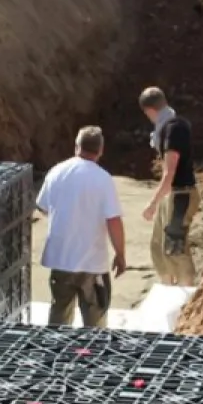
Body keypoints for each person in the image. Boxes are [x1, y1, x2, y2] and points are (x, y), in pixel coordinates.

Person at [34, 126, 126, 327]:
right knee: (95, 321)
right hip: (92, 263)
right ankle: (92, 356)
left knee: (59, 316)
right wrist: (120, 254)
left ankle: (56, 354)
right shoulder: (103, 179)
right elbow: (113, 220)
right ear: (101, 150)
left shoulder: (57, 171)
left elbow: (43, 207)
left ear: (77, 146)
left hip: (60, 259)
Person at [139, 86, 200, 287]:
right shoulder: (170, 127)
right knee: (158, 246)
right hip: (172, 194)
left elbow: (169, 172)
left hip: (181, 194)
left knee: (175, 248)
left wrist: (152, 203)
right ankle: (167, 286)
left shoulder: (173, 129)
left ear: (149, 111)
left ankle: (187, 295)